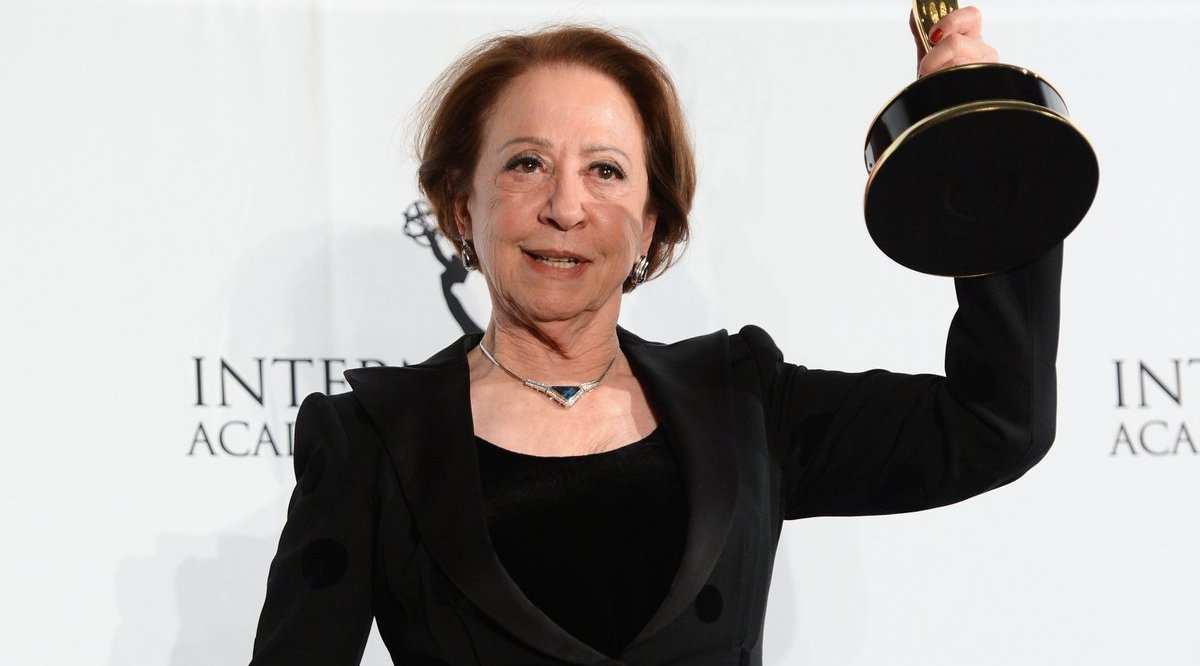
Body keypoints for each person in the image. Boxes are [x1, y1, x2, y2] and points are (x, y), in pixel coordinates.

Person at [250, 7, 1059, 665]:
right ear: (463, 207)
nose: (565, 206)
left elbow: (996, 426)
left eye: (605, 170)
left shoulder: (743, 400)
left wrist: (981, 137)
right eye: (527, 163)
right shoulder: (372, 440)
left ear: (649, 225)